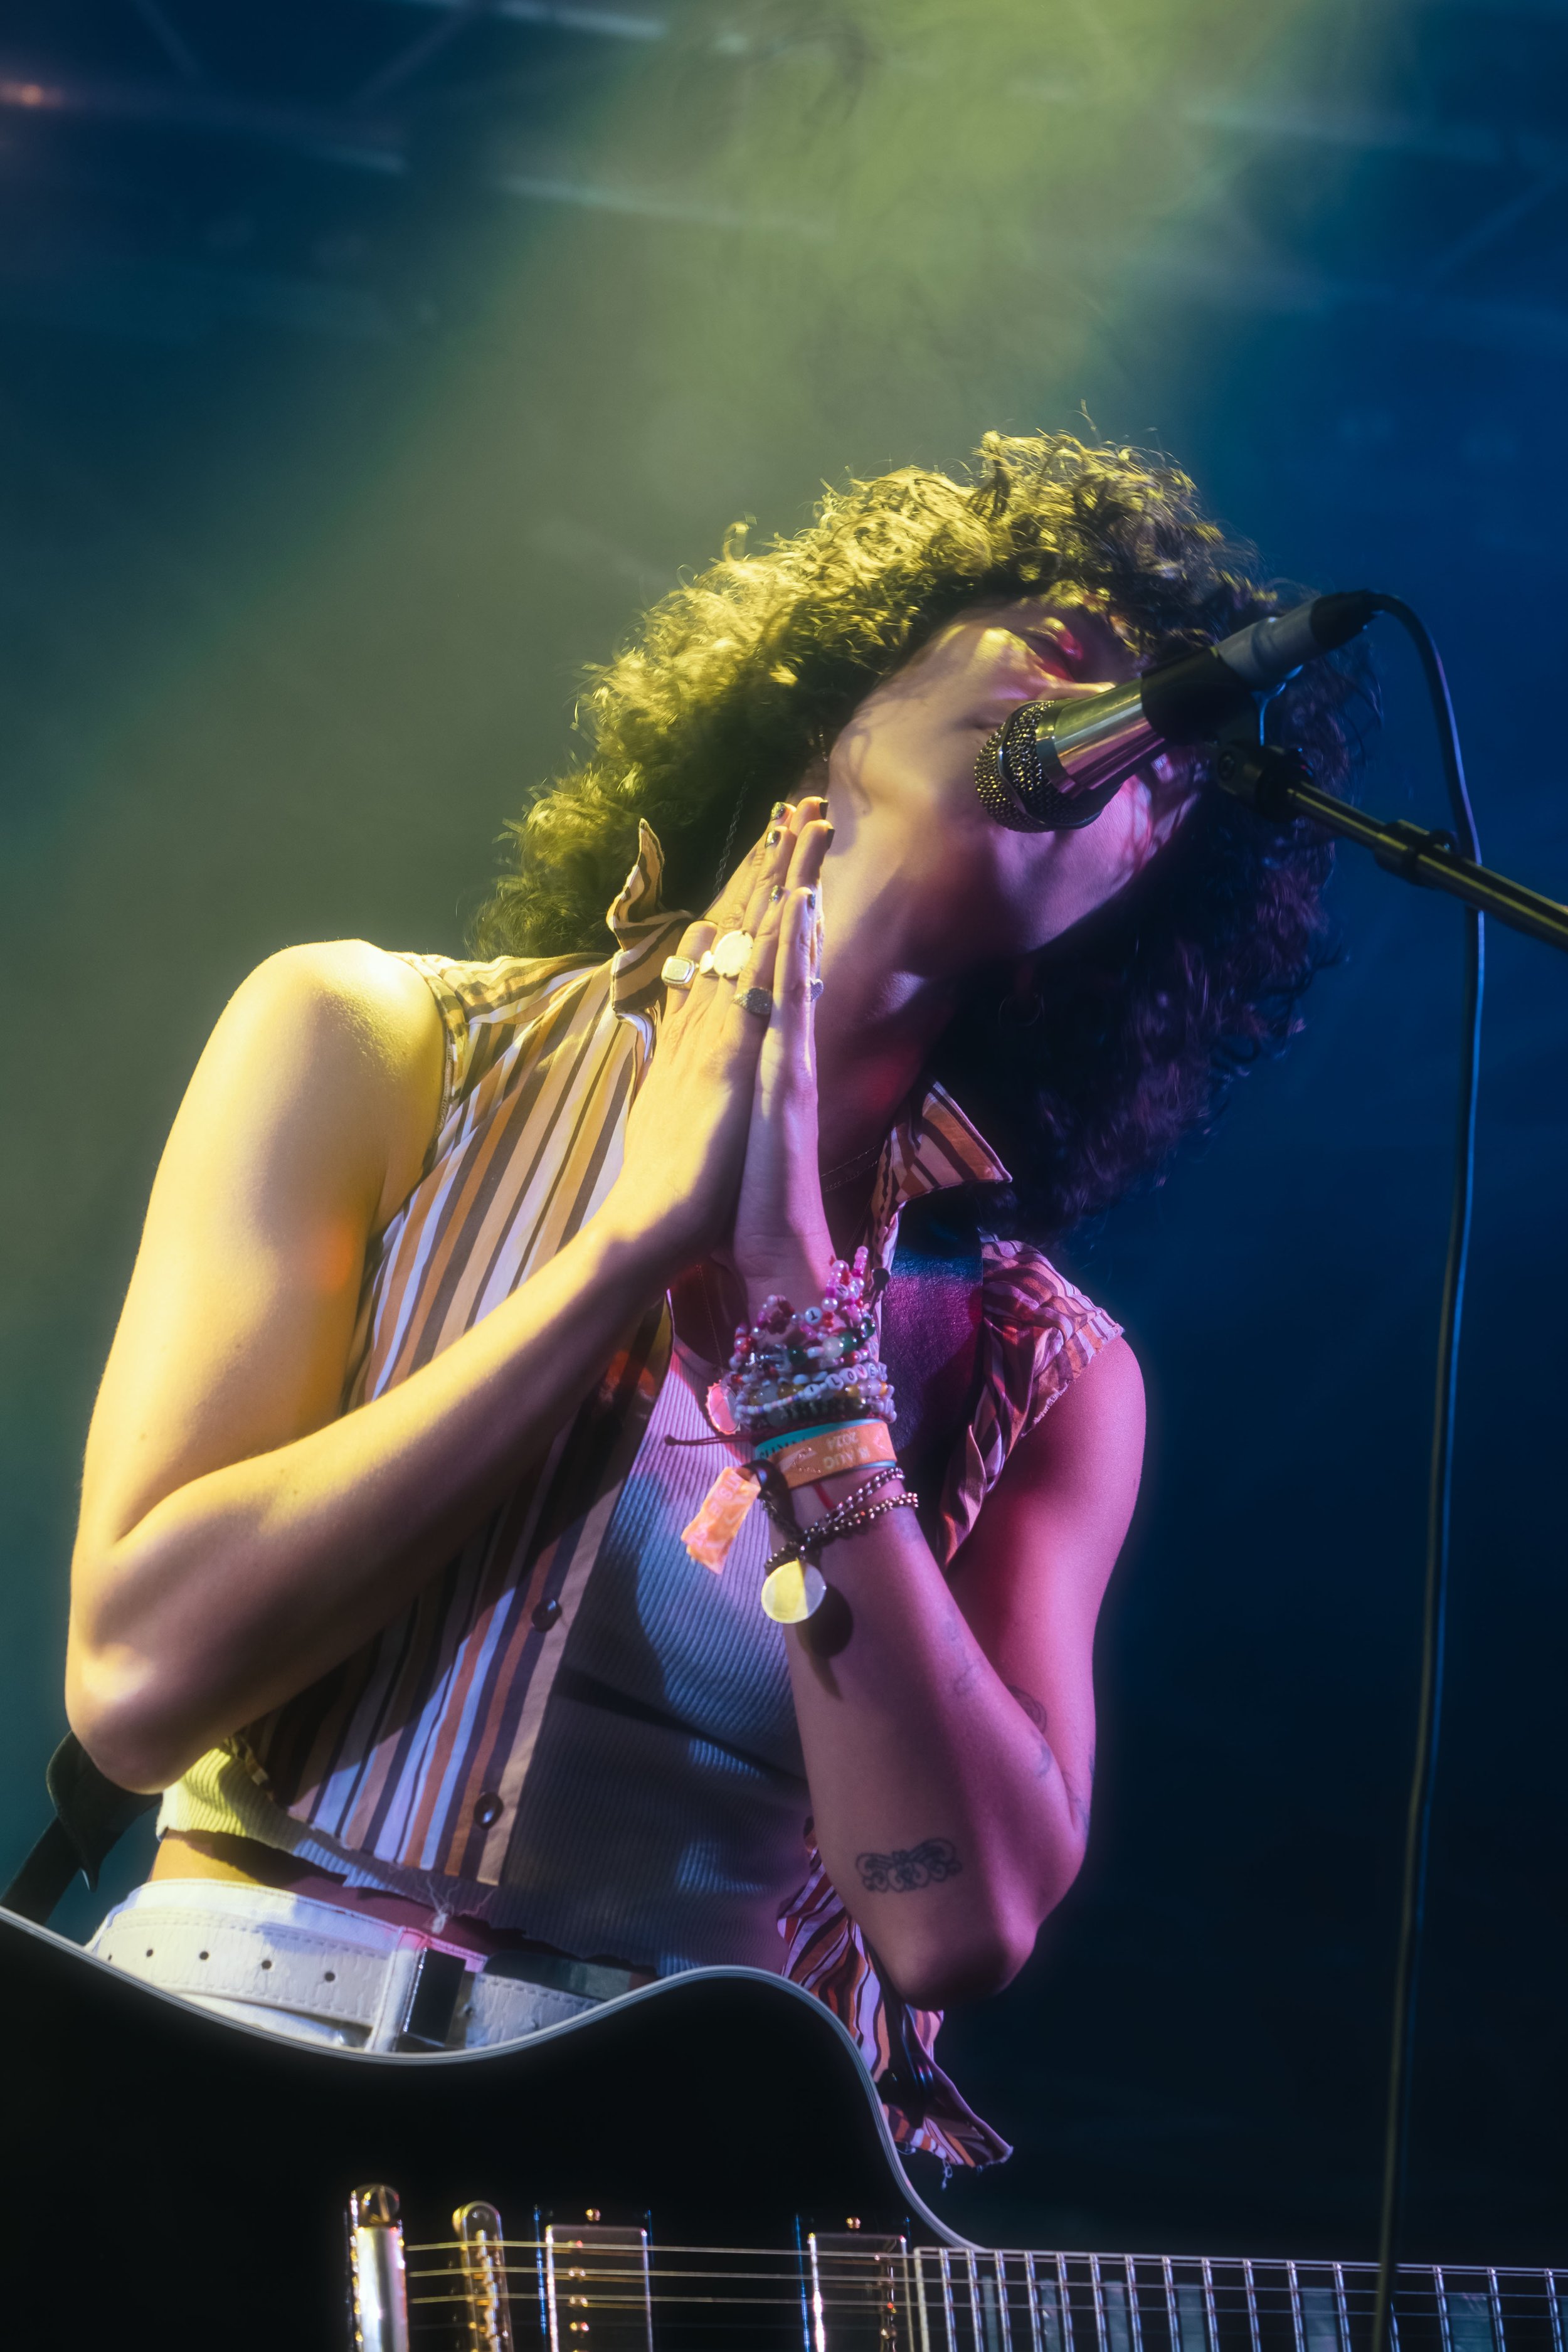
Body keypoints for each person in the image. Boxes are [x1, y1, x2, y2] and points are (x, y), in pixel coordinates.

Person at [63, 432, 1360, 2167]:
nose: (1105, 677)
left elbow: (955, 1927)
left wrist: (809, 1371)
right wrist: (616, 1251)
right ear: (846, 685)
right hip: (206, 2079)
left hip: (655, 2172)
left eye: (1161, 736)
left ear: (1138, 880)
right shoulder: (375, 1043)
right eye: (1045, 628)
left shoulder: (1034, 1367)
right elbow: (138, 1686)